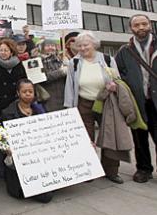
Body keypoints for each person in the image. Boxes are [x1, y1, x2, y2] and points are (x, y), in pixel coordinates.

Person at [64, 31, 126, 184]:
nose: (83, 48)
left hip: (106, 102)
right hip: (83, 102)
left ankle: (111, 171)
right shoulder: (75, 62)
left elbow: (118, 80)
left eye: (86, 45)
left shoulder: (107, 59)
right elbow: (70, 85)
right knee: (85, 137)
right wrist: (69, 107)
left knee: (110, 137)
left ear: (94, 44)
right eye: (80, 46)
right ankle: (88, 170)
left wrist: (115, 86)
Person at [115, 14, 157, 183]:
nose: (141, 27)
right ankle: (144, 169)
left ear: (150, 25)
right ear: (130, 28)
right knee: (139, 137)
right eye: (137, 25)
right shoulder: (125, 51)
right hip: (137, 101)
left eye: (144, 24)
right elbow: (117, 73)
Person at [1, 79, 53, 204]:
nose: (28, 94)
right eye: (24, 91)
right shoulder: (8, 113)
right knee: (20, 193)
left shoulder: (40, 110)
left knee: (46, 196)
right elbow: (2, 139)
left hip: (39, 156)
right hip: (19, 160)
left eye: (31, 91)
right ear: (18, 93)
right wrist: (7, 149)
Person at [0, 39, 27, 118]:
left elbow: (24, 82)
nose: (3, 53)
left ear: (11, 52)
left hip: (16, 103)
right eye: (1, 50)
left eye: (6, 50)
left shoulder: (19, 65)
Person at [40, 39, 67, 112]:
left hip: (62, 96)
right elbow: (42, 78)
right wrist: (61, 72)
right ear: (42, 48)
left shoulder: (60, 60)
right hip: (47, 98)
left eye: (52, 46)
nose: (50, 47)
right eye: (47, 46)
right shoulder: (39, 61)